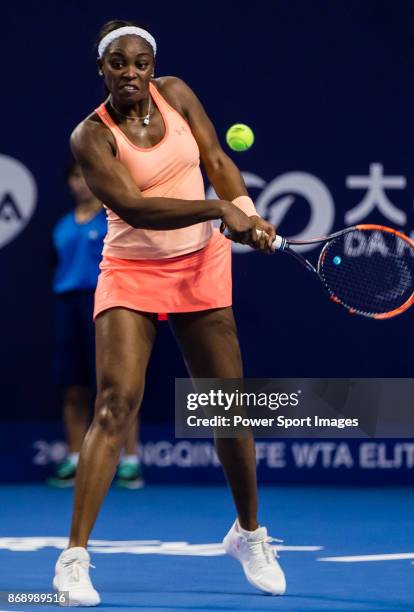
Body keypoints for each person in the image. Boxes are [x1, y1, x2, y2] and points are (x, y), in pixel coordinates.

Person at [53, 19, 286, 606]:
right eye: (118, 64)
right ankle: (74, 559)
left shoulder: (178, 94)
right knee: (114, 403)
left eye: (141, 63)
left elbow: (215, 157)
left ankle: (248, 535)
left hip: (200, 266)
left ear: (153, 67)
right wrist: (216, 210)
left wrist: (245, 210)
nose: (131, 73)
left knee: (229, 409)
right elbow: (133, 207)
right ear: (101, 70)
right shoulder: (90, 137)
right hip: (131, 272)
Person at [49, 160, 144, 489]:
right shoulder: (61, 226)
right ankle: (75, 459)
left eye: (84, 177)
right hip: (68, 307)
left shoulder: (112, 220)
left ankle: (129, 460)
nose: (80, 184)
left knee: (118, 386)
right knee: (74, 387)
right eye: (74, 177)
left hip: (106, 304)